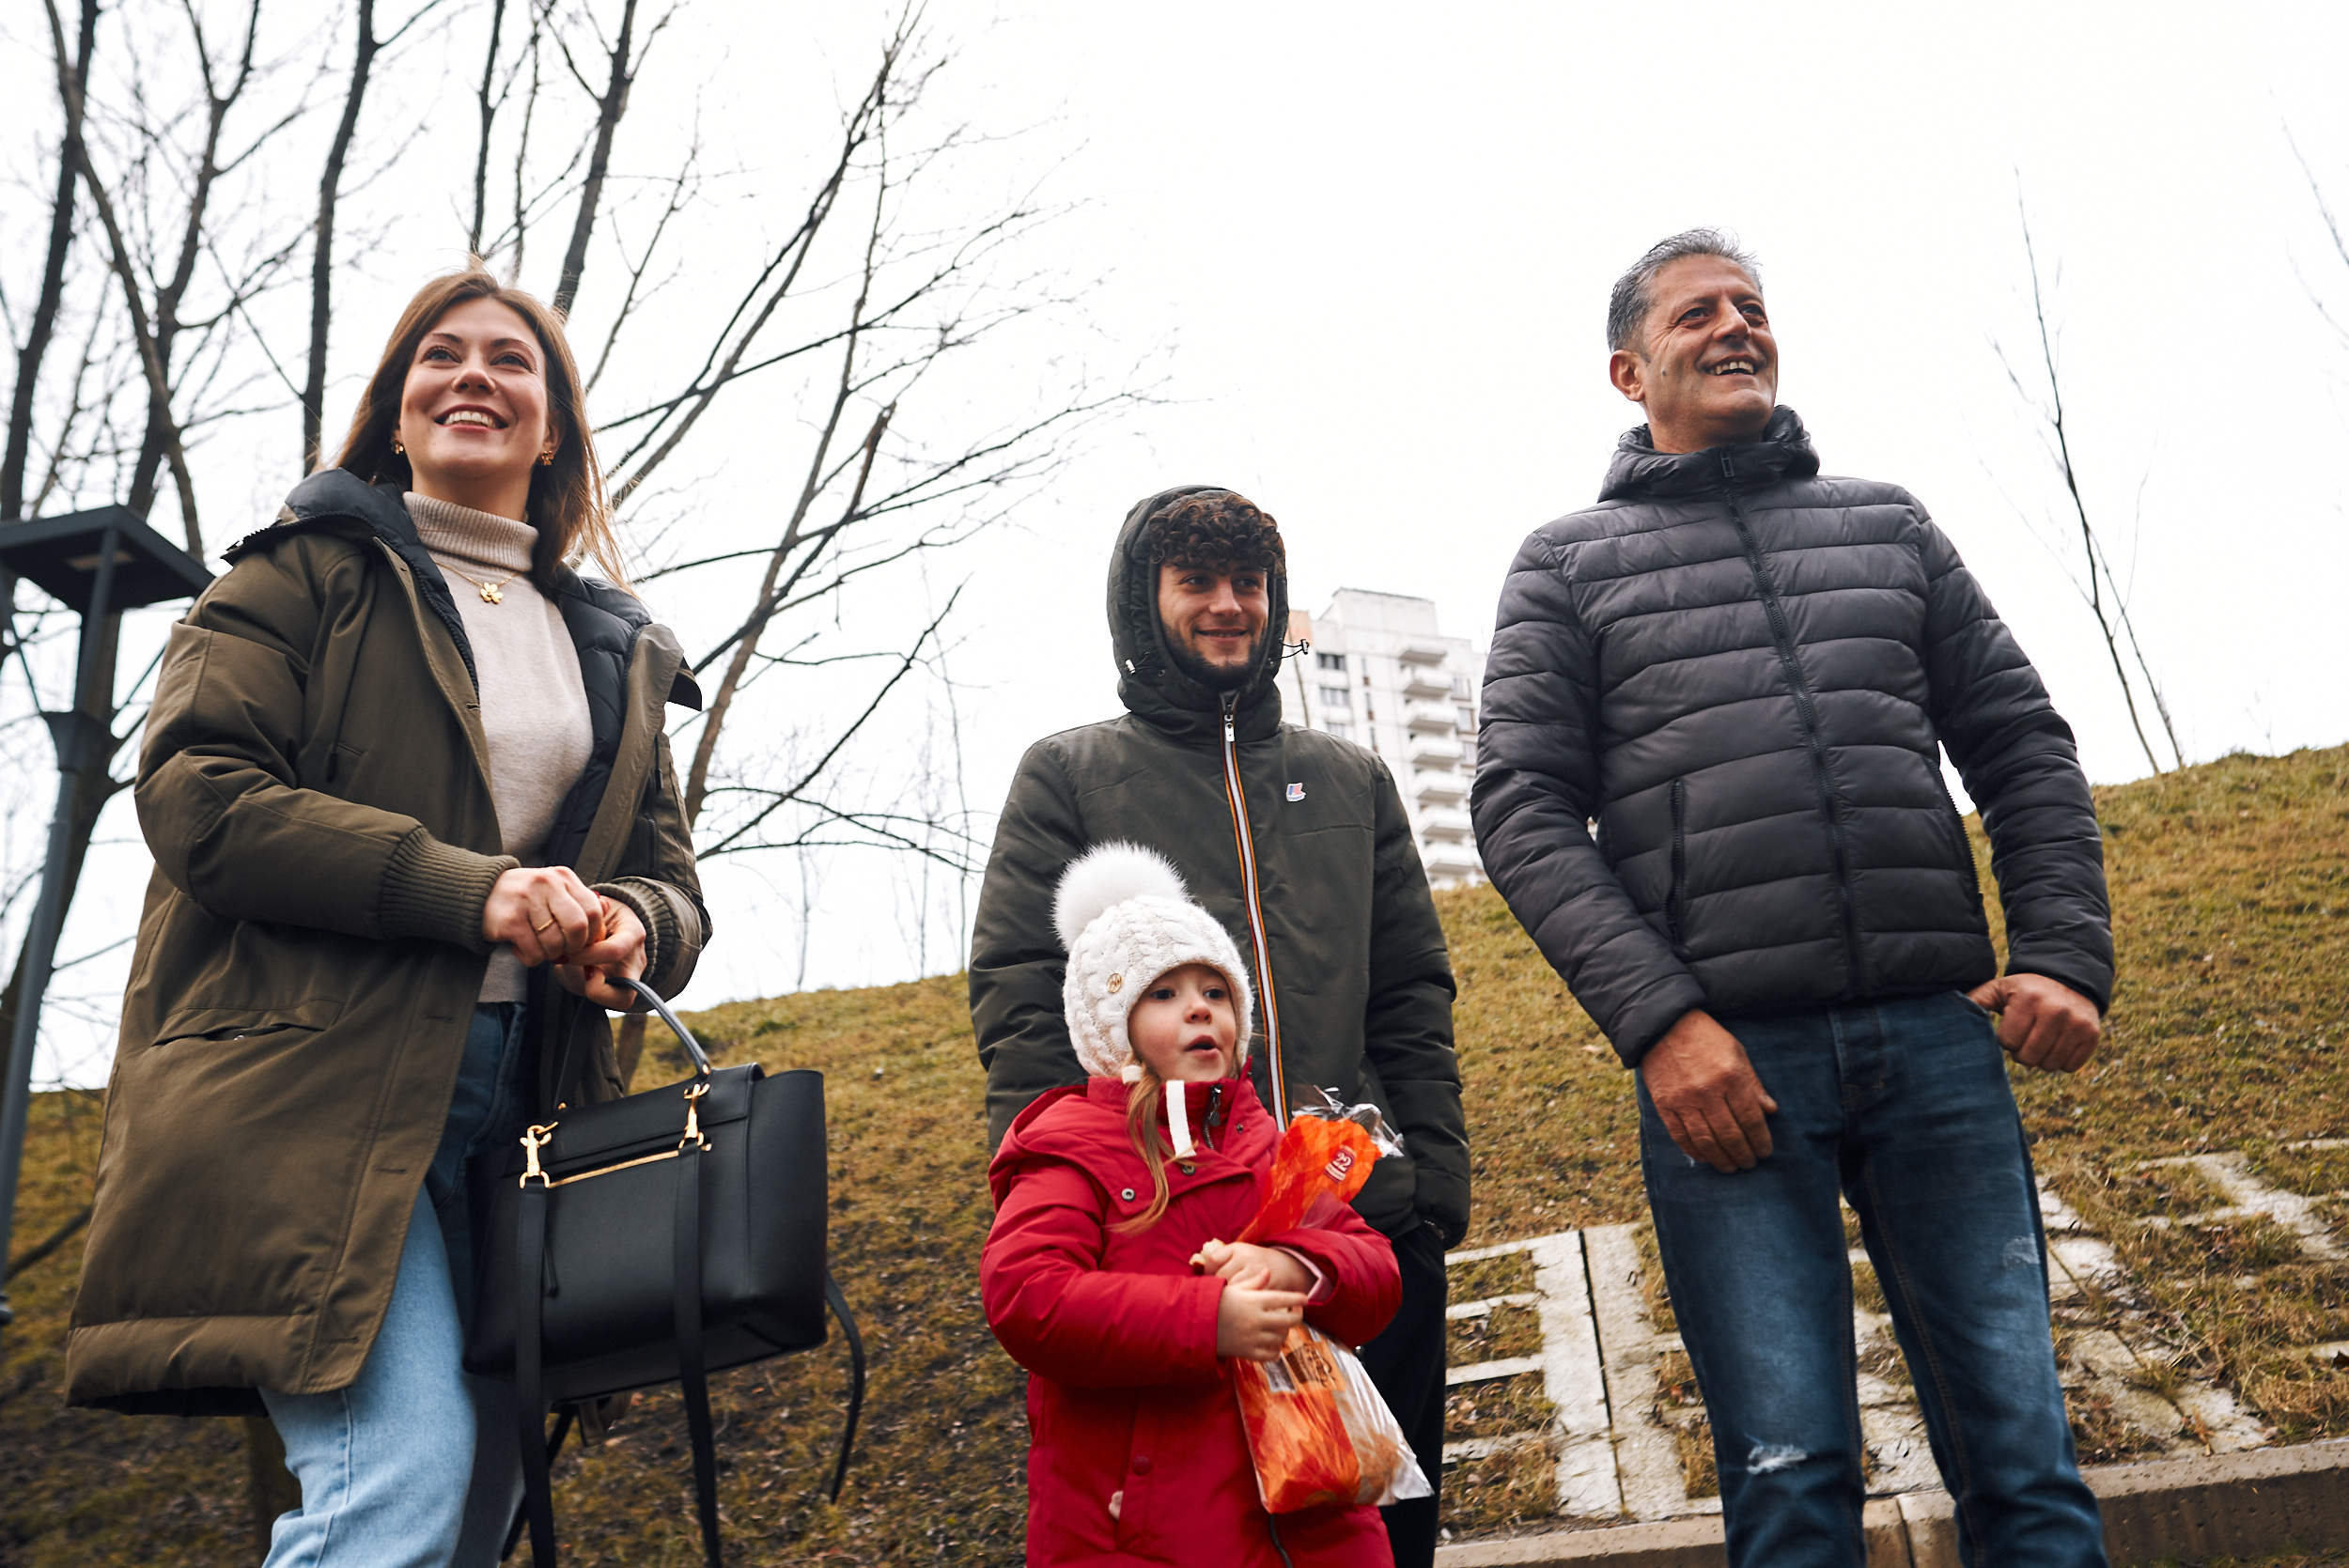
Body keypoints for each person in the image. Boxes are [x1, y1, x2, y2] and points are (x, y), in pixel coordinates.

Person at [1471, 228, 2114, 1567]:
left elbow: (2019, 741)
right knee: (1792, 1478)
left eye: (1752, 306)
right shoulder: (1565, 564)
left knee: (2026, 1461)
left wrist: (2061, 951)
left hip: (1939, 1045)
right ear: (1627, 371)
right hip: (1728, 1070)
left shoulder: (1888, 524)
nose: (1736, 327)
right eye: (1697, 312)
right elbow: (1521, 807)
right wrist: (1661, 1025)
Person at [65, 266, 708, 1566]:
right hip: (307, 1090)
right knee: (400, 1480)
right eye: (440, 354)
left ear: (554, 428)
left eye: (511, 361)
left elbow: (671, 879)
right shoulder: (295, 578)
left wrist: (635, 924)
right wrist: (471, 888)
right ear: (398, 410)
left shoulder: (617, 648)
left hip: (526, 1110)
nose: (474, 375)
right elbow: (199, 796)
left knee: (479, 1509)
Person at [970, 487, 1469, 1565]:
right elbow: (1021, 997)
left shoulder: (1354, 779)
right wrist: (1059, 1186)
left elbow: (1410, 994)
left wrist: (1428, 1189)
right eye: (1196, 581)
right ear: (1142, 602)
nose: (1228, 605)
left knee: (1379, 1540)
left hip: (1354, 1230)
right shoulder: (1066, 775)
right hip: (1160, 1245)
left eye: (1248, 582)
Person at [984, 842, 1402, 1566]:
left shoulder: (1271, 1144)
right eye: (1164, 993)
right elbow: (1028, 1296)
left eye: (1216, 990)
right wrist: (1209, 1320)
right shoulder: (1069, 1146)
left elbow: (1378, 1272)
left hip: (1312, 1514)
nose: (1200, 1008)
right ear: (1111, 1028)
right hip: (1147, 1531)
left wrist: (1294, 1267)